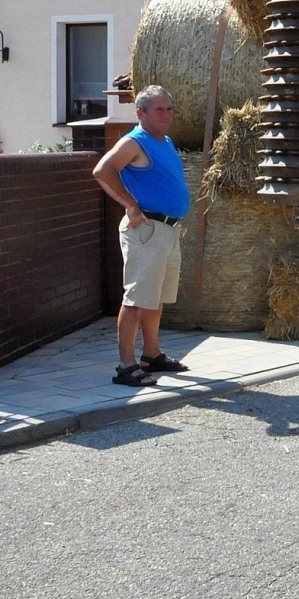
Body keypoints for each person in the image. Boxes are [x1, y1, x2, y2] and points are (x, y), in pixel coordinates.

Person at [92, 85, 193, 386]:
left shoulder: (163, 140)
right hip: (146, 231)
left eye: (169, 109)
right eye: (159, 109)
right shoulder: (134, 142)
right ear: (141, 113)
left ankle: (152, 355)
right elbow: (102, 170)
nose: (166, 114)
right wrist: (131, 206)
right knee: (136, 298)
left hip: (165, 230)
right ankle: (126, 366)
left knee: (154, 298)